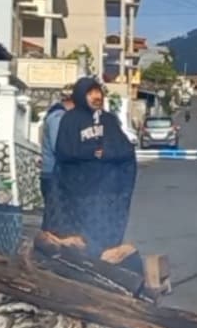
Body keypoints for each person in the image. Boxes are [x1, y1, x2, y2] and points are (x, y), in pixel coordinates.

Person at [55, 78, 137, 258]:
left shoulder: (108, 120)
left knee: (106, 242)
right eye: (91, 93)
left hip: (107, 194)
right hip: (78, 193)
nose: (96, 97)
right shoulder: (70, 120)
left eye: (98, 92)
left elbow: (125, 150)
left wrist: (106, 152)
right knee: (81, 240)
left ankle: (107, 264)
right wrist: (91, 152)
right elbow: (63, 151)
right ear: (81, 95)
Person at [39, 89, 74, 233]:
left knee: (57, 216)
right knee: (55, 217)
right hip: (53, 173)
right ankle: (47, 249)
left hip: (56, 173)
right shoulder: (58, 117)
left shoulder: (59, 116)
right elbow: (58, 145)